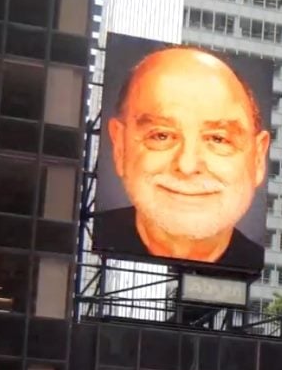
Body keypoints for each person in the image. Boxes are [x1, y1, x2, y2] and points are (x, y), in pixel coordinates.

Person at [98, 45, 269, 270]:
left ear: (257, 158)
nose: (187, 165)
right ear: (120, 146)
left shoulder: (257, 266)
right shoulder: (91, 234)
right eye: (161, 135)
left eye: (218, 139)